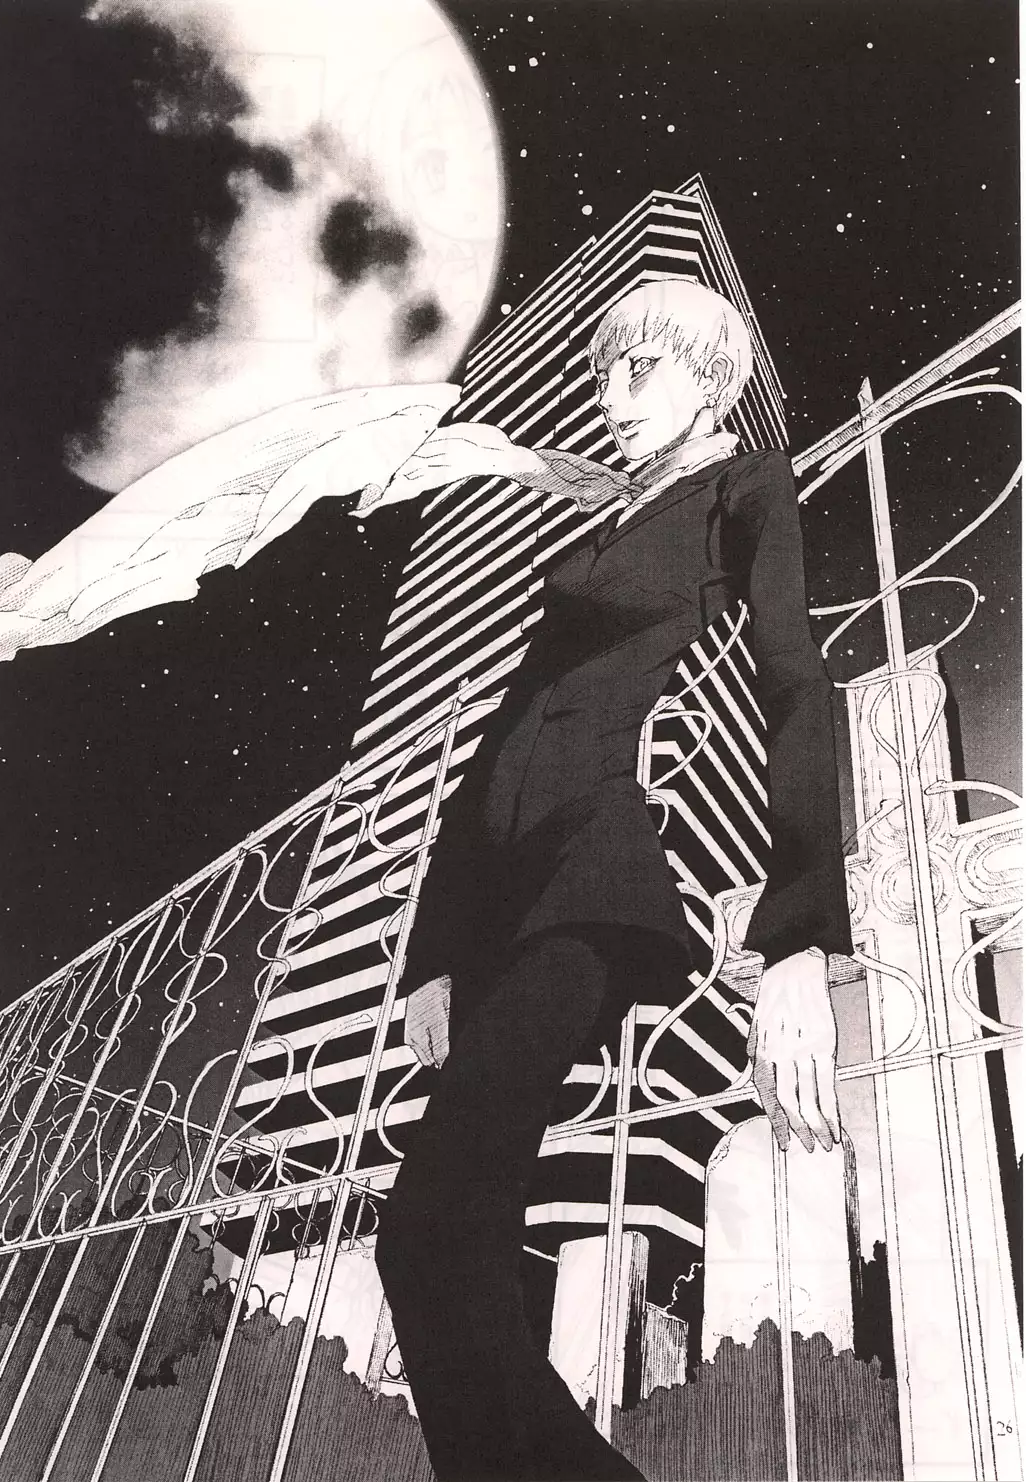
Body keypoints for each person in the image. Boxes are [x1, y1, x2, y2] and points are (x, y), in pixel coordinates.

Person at [370, 277, 854, 1482]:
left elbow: (795, 682)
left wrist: (799, 935)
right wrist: (434, 957)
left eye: (644, 366)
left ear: (713, 379)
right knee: (450, 1252)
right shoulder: (598, 528)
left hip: (593, 888)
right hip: (501, 902)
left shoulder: (744, 486)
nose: (613, 393)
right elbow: (497, 741)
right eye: (603, 370)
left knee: (428, 1238)